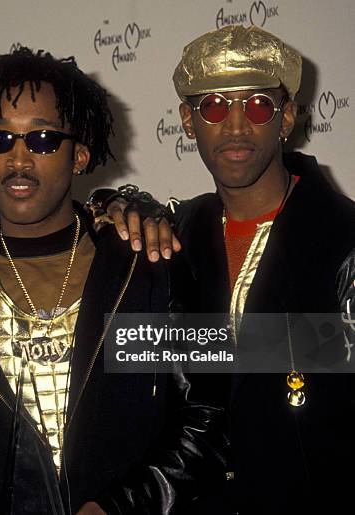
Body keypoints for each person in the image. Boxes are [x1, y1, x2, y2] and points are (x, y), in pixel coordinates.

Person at [0, 46, 227, 515]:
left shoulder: (149, 265)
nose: (18, 159)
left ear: (80, 156)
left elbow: (209, 415)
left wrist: (119, 508)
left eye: (43, 139)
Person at [95, 25, 355, 514]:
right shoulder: (173, 237)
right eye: (214, 105)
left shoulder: (344, 239)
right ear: (188, 121)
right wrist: (110, 203)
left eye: (258, 105)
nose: (236, 127)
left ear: (287, 118)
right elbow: (131, 363)